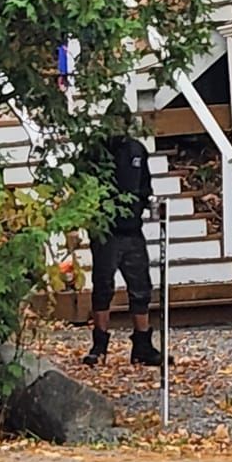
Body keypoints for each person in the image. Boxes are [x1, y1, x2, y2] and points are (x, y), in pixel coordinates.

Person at [82, 130, 163, 368]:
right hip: (106, 232)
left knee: (141, 287)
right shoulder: (96, 152)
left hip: (133, 230)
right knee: (103, 286)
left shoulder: (137, 150)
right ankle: (99, 345)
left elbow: (145, 187)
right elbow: (85, 188)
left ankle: (142, 345)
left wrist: (150, 206)